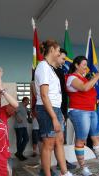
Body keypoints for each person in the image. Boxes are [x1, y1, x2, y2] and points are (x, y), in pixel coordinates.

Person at [66, 56, 99, 176]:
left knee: (96, 138)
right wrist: (97, 76)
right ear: (77, 65)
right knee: (81, 140)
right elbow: (84, 88)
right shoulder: (72, 77)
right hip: (78, 111)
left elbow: (88, 92)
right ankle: (83, 167)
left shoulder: (84, 78)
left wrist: (96, 101)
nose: (86, 67)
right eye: (83, 65)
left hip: (91, 110)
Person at [35, 39, 72, 176]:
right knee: (48, 145)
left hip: (54, 109)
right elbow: (44, 95)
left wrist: (59, 113)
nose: (59, 53)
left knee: (59, 142)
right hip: (46, 110)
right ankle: (47, 174)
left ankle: (64, 172)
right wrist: (54, 117)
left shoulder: (50, 67)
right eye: (58, 51)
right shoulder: (43, 67)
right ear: (51, 50)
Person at [54, 48, 76, 170]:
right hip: (54, 110)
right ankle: (45, 168)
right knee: (49, 142)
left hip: (62, 109)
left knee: (60, 139)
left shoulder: (61, 71)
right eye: (62, 58)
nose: (64, 61)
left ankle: (61, 162)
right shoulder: (50, 71)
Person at [14, 97, 30, 161]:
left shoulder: (25, 107)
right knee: (19, 140)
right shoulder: (19, 105)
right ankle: (20, 154)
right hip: (18, 126)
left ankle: (19, 153)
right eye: (28, 101)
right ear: (24, 100)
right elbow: (14, 112)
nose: (28, 102)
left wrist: (29, 116)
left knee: (26, 139)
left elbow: (28, 114)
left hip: (24, 126)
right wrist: (17, 118)